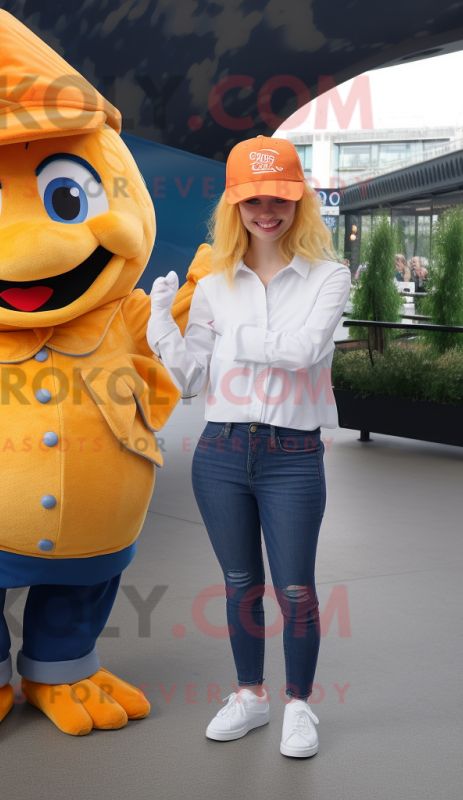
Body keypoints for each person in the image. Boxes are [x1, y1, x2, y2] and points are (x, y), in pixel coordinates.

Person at [147, 135, 350, 758]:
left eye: (280, 197)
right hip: (222, 453)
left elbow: (305, 352)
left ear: (300, 202)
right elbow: (194, 378)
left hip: (293, 454)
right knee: (239, 585)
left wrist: (234, 333)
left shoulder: (330, 274)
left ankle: (298, 706)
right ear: (234, 204)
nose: (268, 210)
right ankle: (250, 697)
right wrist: (162, 330)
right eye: (254, 198)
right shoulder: (212, 286)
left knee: (296, 591)